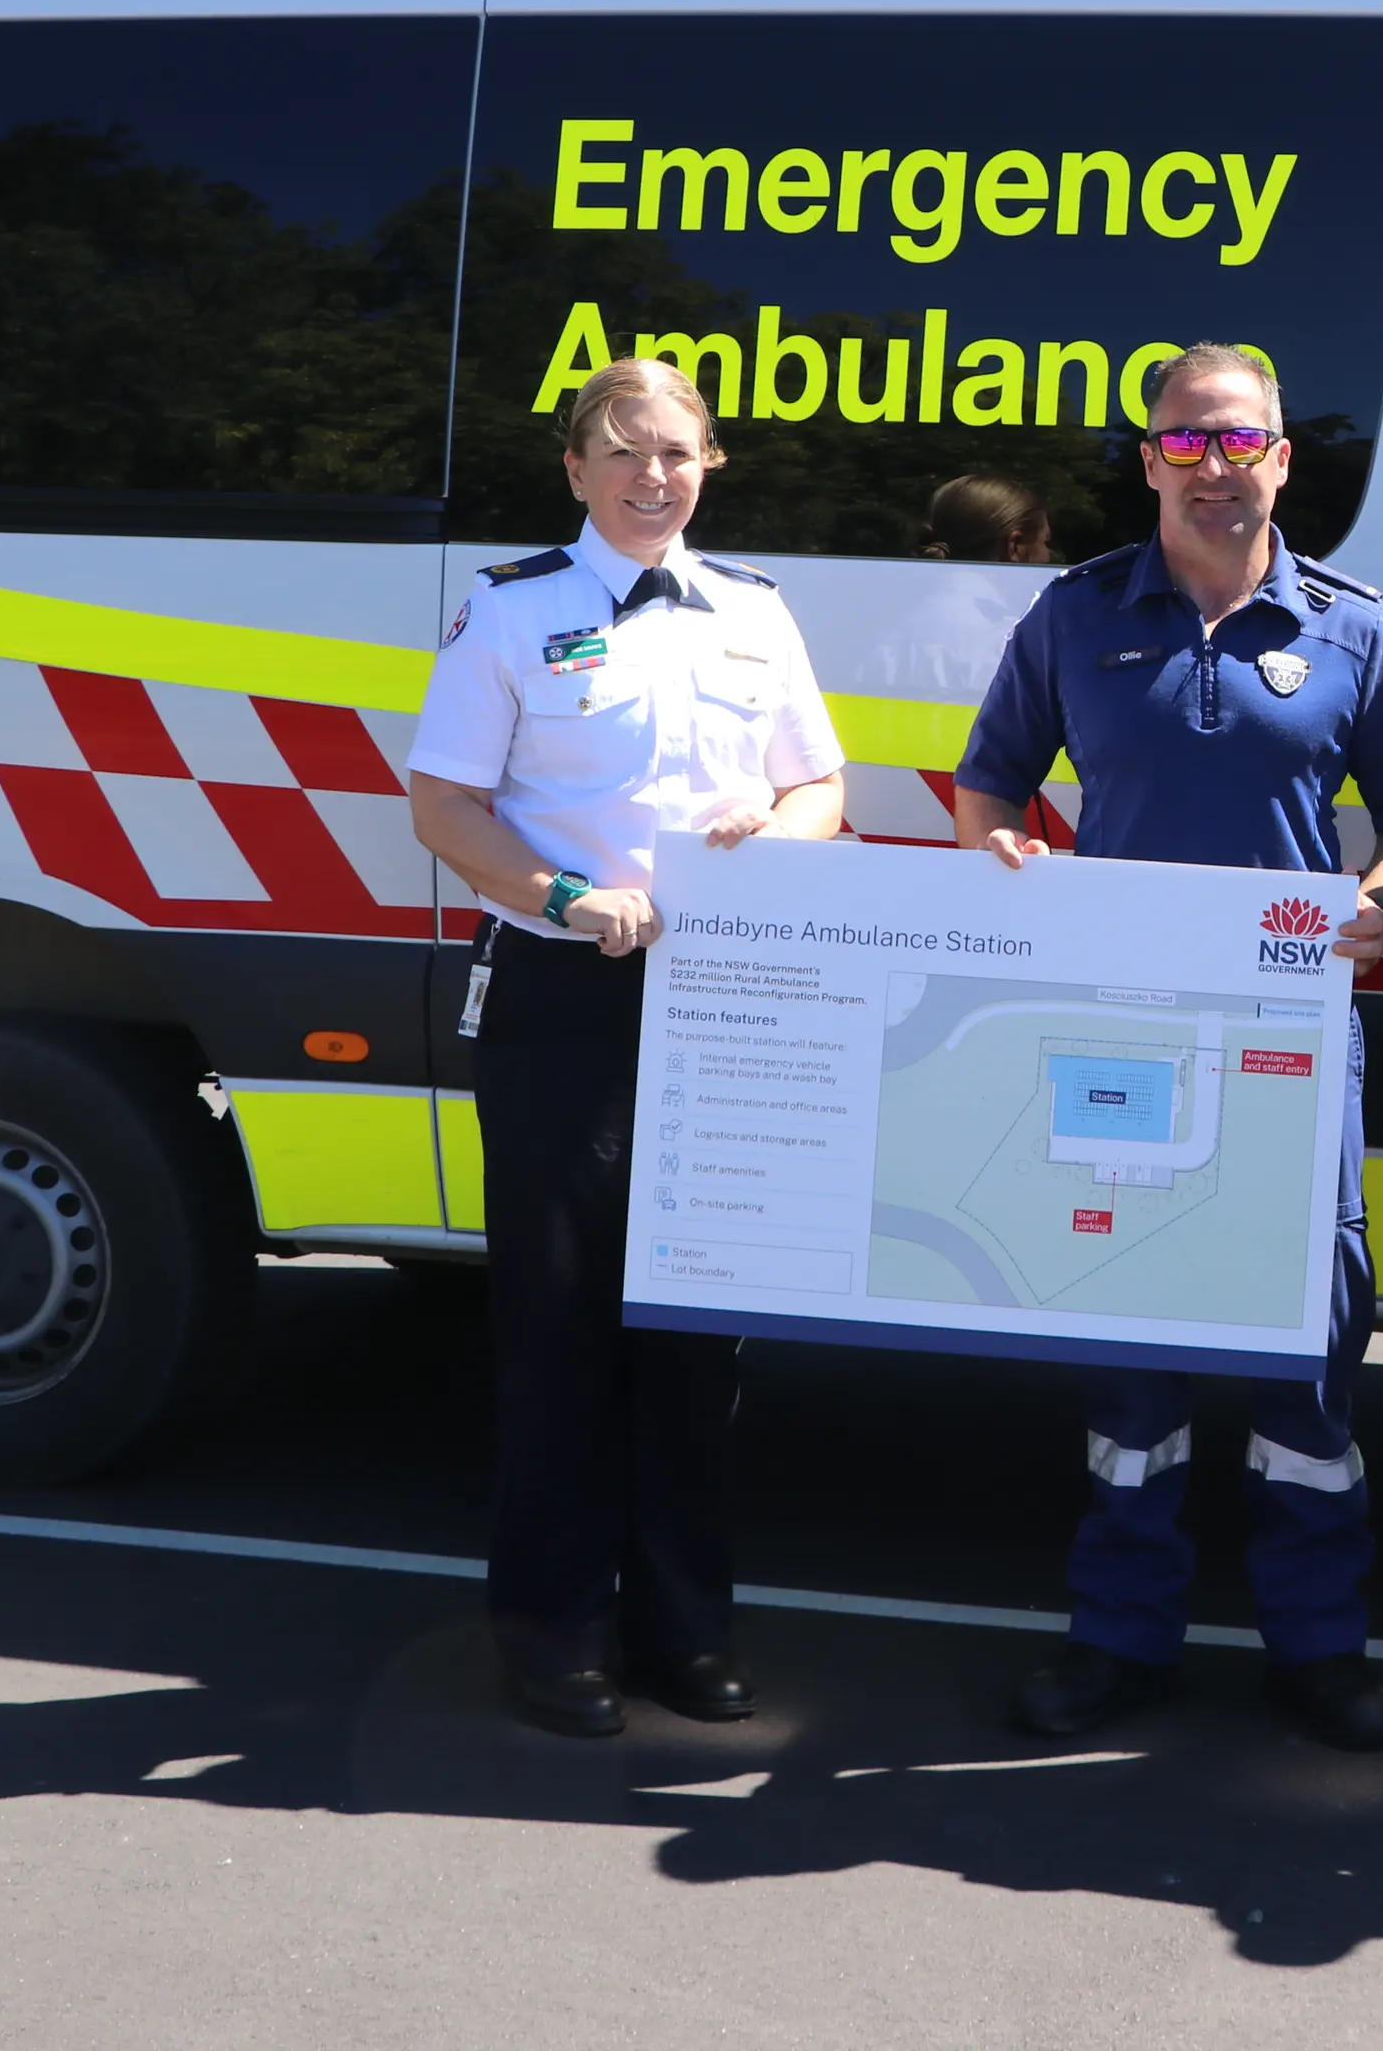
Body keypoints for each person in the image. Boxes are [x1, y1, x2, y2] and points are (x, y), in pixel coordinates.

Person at [952, 342, 1383, 1753]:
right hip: (1120, 1033)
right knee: (1125, 1345)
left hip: (1295, 1040)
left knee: (1311, 1354)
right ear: (1150, 457)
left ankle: (1319, 1646)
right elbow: (991, 785)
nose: (1215, 466)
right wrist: (1009, 864)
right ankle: (1121, 1639)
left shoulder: (1354, 627)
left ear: (1285, 458)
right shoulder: (1076, 614)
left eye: (1242, 441)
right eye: (1186, 441)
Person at [406, 357, 849, 1738]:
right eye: (627, 450)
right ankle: (550, 1638)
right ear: (577, 469)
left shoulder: (756, 615)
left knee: (695, 1338)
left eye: (680, 451)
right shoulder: (513, 611)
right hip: (564, 1002)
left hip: (722, 1006)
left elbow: (819, 784)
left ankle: (683, 1633)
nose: (655, 475)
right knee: (557, 1333)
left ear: (710, 464)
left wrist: (774, 842)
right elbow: (443, 801)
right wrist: (558, 896)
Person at [920, 472, 1056, 566]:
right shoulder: (993, 607)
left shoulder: (915, 599)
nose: (1049, 556)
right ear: (1014, 546)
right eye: (1045, 542)